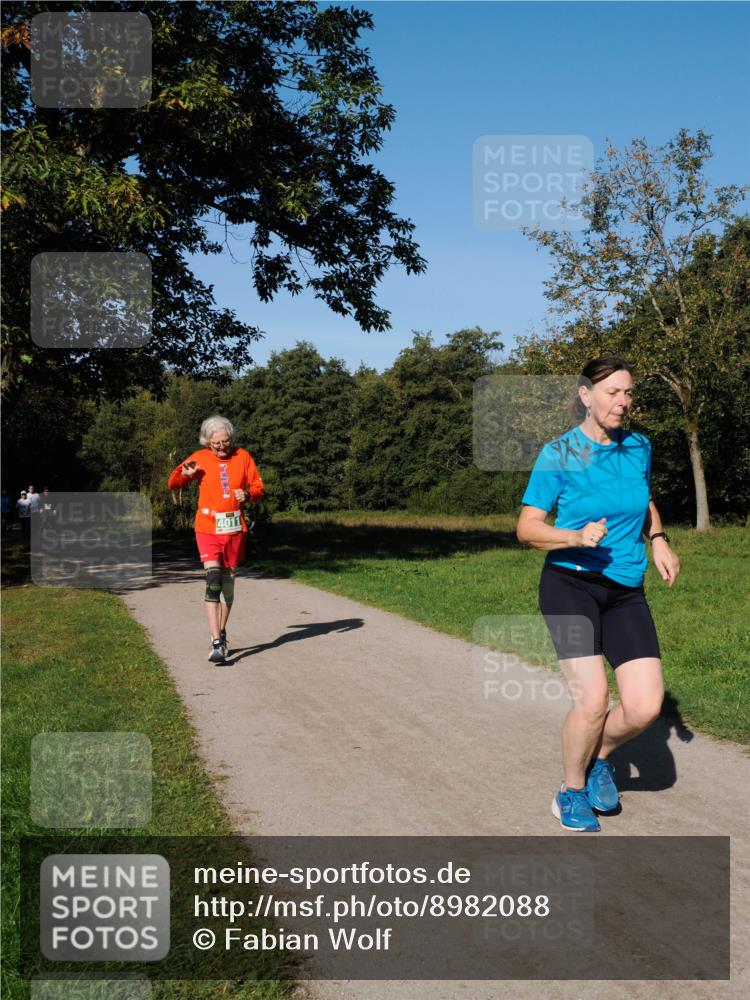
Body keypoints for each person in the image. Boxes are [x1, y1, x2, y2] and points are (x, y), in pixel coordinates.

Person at [516, 356, 680, 832]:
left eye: (629, 393)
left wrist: (659, 539)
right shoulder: (559, 454)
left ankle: (600, 757)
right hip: (570, 584)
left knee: (646, 706)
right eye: (613, 393)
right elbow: (526, 528)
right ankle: (569, 790)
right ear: (586, 395)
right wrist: (572, 536)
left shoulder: (639, 447)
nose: (623, 402)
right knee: (591, 701)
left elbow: (643, 498)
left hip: (626, 589)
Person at [167, 416, 264, 664]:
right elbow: (172, 483)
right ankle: (216, 641)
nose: (222, 447)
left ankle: (221, 631)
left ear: (232, 438)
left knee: (227, 586)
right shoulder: (198, 457)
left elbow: (258, 488)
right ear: (207, 442)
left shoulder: (243, 456)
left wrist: (248, 494)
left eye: (226, 441)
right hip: (207, 527)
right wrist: (185, 475)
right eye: (216, 443)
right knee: (212, 580)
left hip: (233, 529)